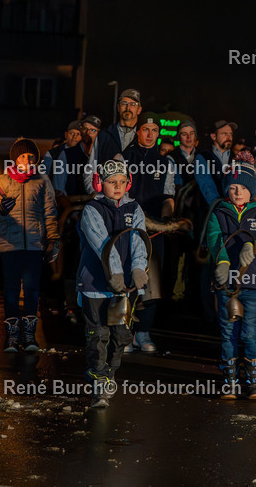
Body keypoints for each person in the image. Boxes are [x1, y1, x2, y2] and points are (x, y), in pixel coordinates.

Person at [76, 159, 148, 408]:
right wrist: (115, 273)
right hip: (96, 284)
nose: (118, 187)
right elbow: (103, 243)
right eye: (111, 182)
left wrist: (139, 268)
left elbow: (139, 240)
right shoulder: (92, 209)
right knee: (98, 334)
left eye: (122, 182)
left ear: (129, 183)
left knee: (121, 335)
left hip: (123, 287)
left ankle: (110, 373)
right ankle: (97, 383)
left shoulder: (135, 209)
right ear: (100, 183)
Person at [207, 152, 256, 401]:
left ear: (252, 190)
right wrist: (222, 260)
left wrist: (253, 246)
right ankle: (230, 380)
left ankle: (254, 381)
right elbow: (214, 239)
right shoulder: (219, 213)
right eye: (233, 187)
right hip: (227, 283)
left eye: (243, 187)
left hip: (253, 283)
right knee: (228, 331)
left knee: (250, 332)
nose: (237, 192)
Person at [0, 138, 60, 352]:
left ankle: (29, 335)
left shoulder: (42, 181)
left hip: (34, 245)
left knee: (31, 289)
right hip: (9, 245)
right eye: (22, 156)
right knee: (10, 290)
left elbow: (50, 213)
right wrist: (1, 209)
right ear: (14, 159)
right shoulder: (1, 181)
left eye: (31, 156)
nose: (27, 160)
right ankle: (11, 336)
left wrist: (53, 239)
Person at [122, 115, 176, 353]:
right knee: (125, 280)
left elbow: (168, 196)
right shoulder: (123, 158)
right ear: (138, 131)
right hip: (125, 228)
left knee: (152, 282)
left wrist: (166, 218)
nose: (151, 134)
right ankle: (123, 332)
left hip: (153, 231)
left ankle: (143, 332)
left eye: (155, 130)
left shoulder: (166, 163)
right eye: (146, 129)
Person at [92, 89, 142, 166]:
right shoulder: (104, 136)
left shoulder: (143, 138)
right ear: (118, 107)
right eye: (124, 103)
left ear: (139, 110)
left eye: (133, 104)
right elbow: (91, 168)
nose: (127, 108)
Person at [46, 119, 94, 198]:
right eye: (71, 133)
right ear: (66, 134)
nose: (74, 137)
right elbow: (48, 180)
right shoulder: (53, 154)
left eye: (78, 134)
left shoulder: (87, 154)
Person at [195, 119, 237, 208]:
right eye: (224, 134)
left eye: (230, 134)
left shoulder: (236, 158)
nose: (229, 137)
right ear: (213, 136)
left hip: (233, 211)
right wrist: (219, 206)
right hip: (211, 211)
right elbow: (206, 186)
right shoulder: (203, 157)